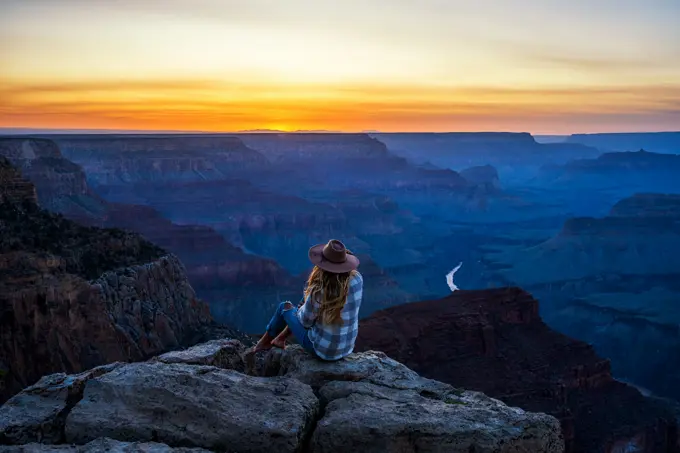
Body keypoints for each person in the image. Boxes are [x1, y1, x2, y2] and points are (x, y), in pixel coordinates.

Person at [250, 239, 363, 361]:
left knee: (284, 307)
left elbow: (305, 322)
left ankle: (264, 343)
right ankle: (280, 339)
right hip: (346, 348)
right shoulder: (357, 279)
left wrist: (299, 308)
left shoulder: (319, 291)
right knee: (305, 300)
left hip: (322, 351)